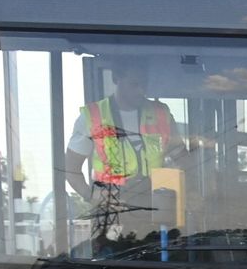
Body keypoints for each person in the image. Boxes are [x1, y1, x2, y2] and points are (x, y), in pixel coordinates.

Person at [64, 59, 183, 240]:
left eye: (144, 84)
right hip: (111, 214)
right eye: (134, 84)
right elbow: (71, 170)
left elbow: (183, 157)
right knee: (113, 263)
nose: (141, 90)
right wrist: (92, 196)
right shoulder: (92, 116)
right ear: (116, 78)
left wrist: (194, 190)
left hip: (154, 212)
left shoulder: (161, 114)